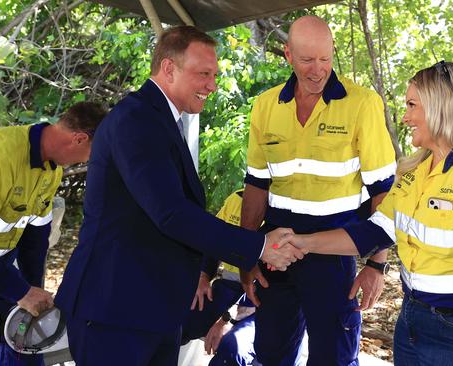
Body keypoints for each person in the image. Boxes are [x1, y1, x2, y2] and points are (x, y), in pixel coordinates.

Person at [54, 26, 304, 365]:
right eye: (203, 74)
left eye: (215, 75)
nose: (213, 85)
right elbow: (170, 213)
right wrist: (259, 247)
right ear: (169, 69)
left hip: (152, 308)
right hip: (116, 311)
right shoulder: (136, 119)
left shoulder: (162, 120)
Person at [288, 61, 453, 365]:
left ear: (441, 106)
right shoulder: (416, 171)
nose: (405, 117)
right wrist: (304, 242)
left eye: (412, 105)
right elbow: (375, 232)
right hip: (414, 322)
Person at [240, 15, 397, 366]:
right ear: (288, 55)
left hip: (334, 256)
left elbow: (384, 193)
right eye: (307, 60)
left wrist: (376, 264)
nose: (317, 70)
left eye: (325, 59)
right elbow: (255, 187)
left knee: (334, 358)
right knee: (269, 355)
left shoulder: (363, 104)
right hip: (275, 252)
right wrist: (247, 256)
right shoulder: (265, 106)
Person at [0, 101, 107, 366]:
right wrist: (21, 292)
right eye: (93, 153)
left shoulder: (51, 169)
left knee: (25, 348)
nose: (90, 161)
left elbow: (35, 239)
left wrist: (33, 291)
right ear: (79, 139)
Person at [182, 190, 307, 366]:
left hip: (260, 300)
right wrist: (203, 278)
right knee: (181, 324)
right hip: (227, 290)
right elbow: (213, 246)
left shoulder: (284, 213)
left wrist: (225, 319)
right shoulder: (235, 199)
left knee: (230, 351)